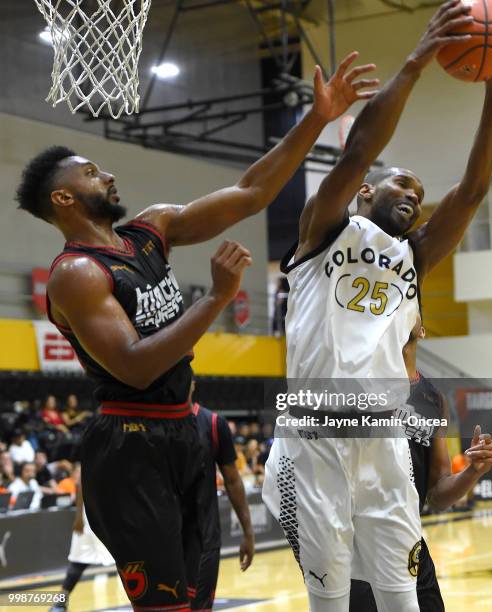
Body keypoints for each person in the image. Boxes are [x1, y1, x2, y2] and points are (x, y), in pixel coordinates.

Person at [16, 55, 376, 611]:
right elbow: (135, 365)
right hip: (130, 445)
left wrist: (317, 117)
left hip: (186, 433)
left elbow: (252, 193)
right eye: (90, 173)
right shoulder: (78, 274)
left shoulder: (151, 229)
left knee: (198, 603)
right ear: (62, 199)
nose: (107, 175)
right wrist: (215, 297)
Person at [263, 2, 492, 610]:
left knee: (402, 598)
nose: (416, 199)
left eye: (421, 196)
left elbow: (475, 189)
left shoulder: (414, 258)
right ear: (370, 192)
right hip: (315, 437)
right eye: (405, 186)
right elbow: (355, 154)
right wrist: (418, 60)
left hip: (385, 443)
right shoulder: (324, 229)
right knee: (333, 601)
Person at [349, 315, 492, 611]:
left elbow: (438, 493)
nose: (401, 308)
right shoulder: (357, 387)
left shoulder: (433, 398)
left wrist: (471, 472)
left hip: (410, 543)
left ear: (422, 328)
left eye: (410, 304)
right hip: (360, 551)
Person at [189, 382, 254, 611]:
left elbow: (233, 480)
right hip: (163, 539)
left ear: (192, 383)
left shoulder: (213, 423)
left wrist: (248, 532)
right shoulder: (154, 422)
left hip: (204, 538)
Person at [49, 467, 114, 612]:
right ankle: (60, 603)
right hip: (90, 518)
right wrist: (78, 517)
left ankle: (140, 599)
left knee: (126, 562)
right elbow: (79, 485)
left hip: (111, 516)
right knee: (78, 562)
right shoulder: (92, 456)